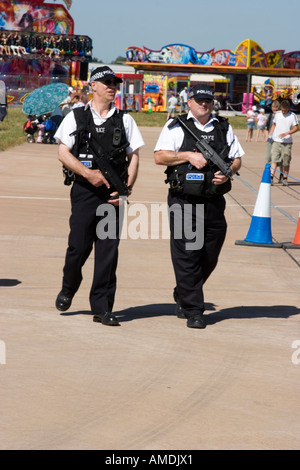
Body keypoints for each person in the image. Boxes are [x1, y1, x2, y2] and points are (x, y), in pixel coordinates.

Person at [54, 66, 144, 326]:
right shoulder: (76, 116)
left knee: (107, 252)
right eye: (106, 82)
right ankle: (69, 286)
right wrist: (88, 173)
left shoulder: (125, 120)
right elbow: (63, 152)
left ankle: (102, 308)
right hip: (84, 191)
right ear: (93, 85)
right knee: (78, 248)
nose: (112, 86)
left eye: (115, 82)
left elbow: (134, 157)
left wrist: (124, 190)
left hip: (113, 195)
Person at [154, 83, 243, 329]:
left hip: (214, 200)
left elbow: (237, 158)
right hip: (184, 200)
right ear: (189, 101)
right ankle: (193, 310)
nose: (204, 104)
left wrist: (228, 173)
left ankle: (184, 290)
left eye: (209, 101)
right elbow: (159, 156)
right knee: (187, 254)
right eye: (200, 100)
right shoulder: (176, 126)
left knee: (210, 253)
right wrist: (187, 155)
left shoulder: (223, 126)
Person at [270, 100, 298, 185]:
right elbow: (274, 124)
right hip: (277, 141)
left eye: (285, 110)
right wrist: (270, 134)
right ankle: (271, 177)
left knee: (286, 161)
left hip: (287, 142)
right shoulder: (278, 114)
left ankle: (285, 178)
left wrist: (287, 133)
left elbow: (296, 128)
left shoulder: (292, 116)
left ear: (288, 109)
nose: (283, 112)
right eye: (282, 110)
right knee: (274, 159)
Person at [265, 100, 280, 165]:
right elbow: (266, 127)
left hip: (278, 138)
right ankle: (267, 168)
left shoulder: (280, 116)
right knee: (268, 155)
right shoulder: (270, 116)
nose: (275, 112)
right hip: (270, 137)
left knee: (277, 155)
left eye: (276, 110)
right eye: (273, 110)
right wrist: (267, 136)